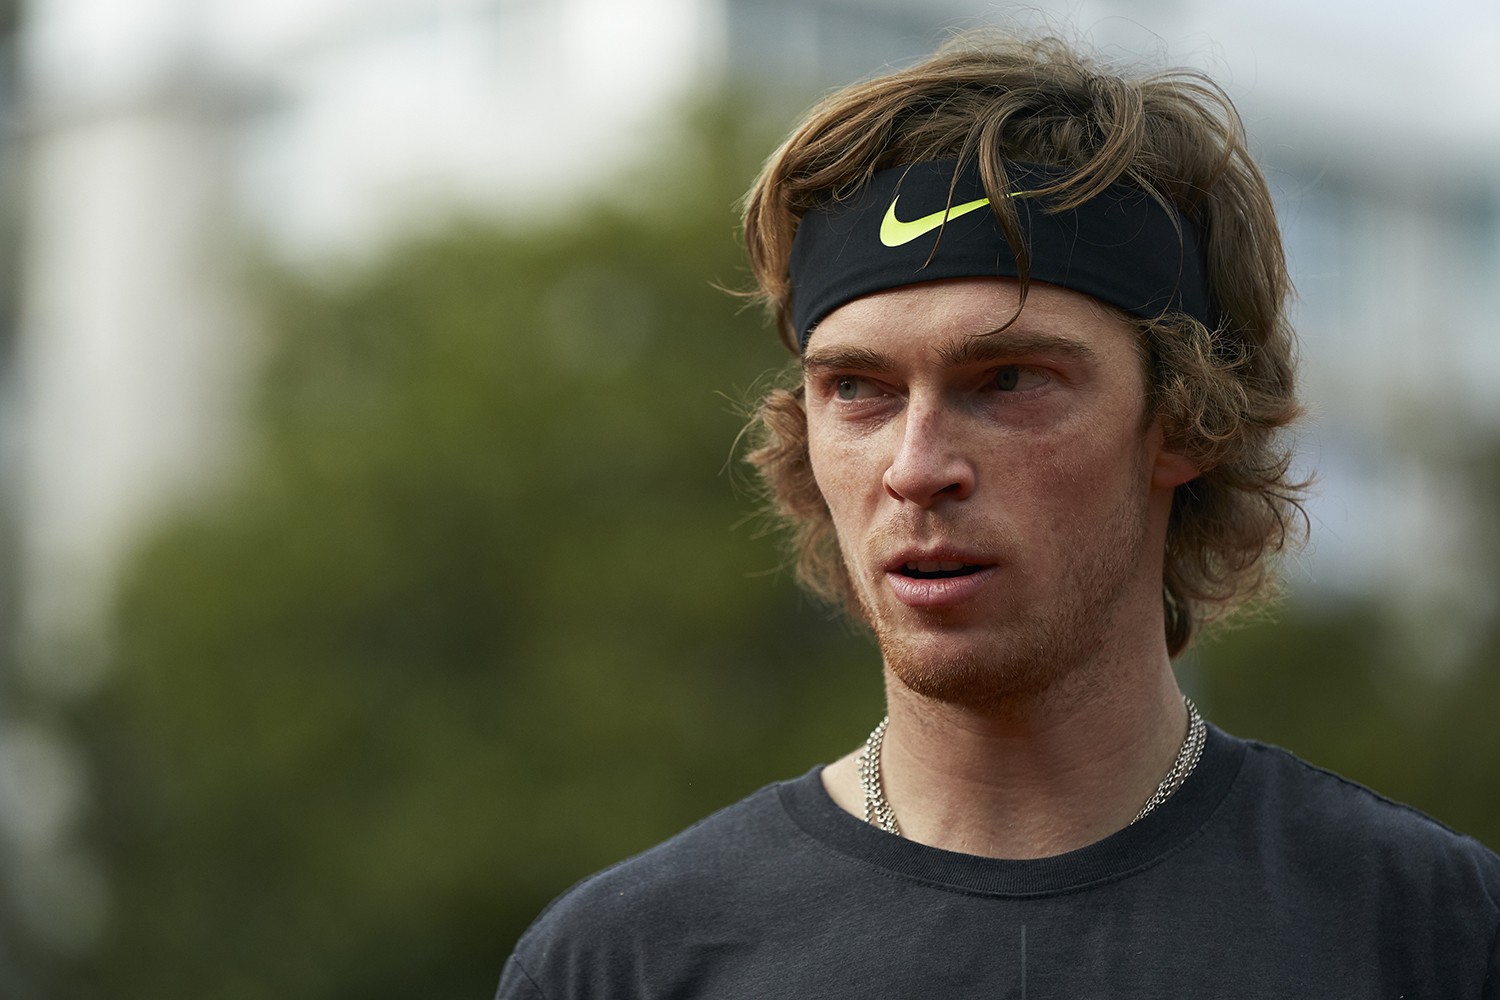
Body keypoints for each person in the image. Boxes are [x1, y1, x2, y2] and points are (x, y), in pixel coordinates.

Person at [497, 31, 1500, 998]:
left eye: (1009, 378)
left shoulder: (1432, 934)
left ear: (1185, 418)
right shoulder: (622, 963)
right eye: (858, 389)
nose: (916, 467)